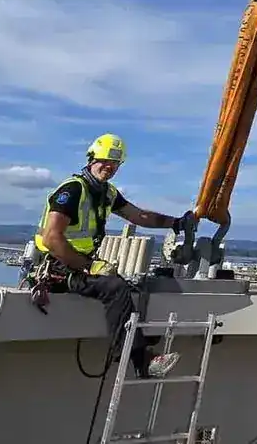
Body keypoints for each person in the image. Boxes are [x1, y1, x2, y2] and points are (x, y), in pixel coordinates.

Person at [32, 133, 193, 378]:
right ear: (91, 158)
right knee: (114, 287)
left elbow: (139, 216)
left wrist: (177, 223)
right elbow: (52, 239)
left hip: (74, 267)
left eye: (114, 163)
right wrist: (88, 266)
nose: (109, 167)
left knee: (134, 286)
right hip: (55, 269)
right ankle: (142, 361)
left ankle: (140, 344)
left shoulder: (106, 193)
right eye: (105, 161)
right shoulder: (73, 190)